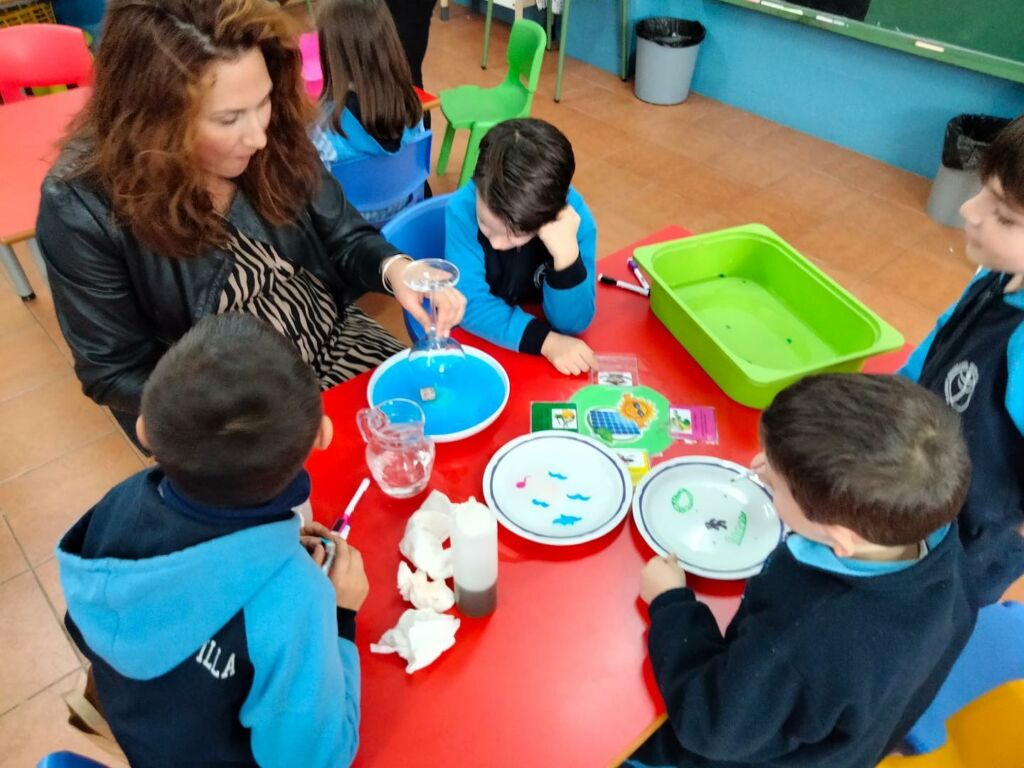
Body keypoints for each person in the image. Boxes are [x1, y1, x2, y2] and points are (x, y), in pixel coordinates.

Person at [35, 0, 464, 445]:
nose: (258, 136)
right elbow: (113, 371)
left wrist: (397, 269)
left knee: (432, 438)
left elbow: (345, 235)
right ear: (155, 119)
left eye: (263, 102)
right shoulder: (81, 203)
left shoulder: (274, 132)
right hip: (227, 407)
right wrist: (246, 416)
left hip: (335, 335)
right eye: (228, 119)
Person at [57, 313, 368, 768]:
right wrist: (339, 616)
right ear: (323, 434)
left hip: (142, 737)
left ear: (144, 430)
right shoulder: (295, 599)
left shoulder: (116, 505)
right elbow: (318, 758)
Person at [629, 374, 977, 768]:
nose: (760, 469)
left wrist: (671, 605)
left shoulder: (805, 636)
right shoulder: (936, 539)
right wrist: (786, 474)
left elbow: (710, 725)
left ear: (839, 537)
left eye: (776, 484)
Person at [901, 113, 1024, 606]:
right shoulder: (997, 271)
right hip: (915, 485)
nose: (969, 210)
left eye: (1005, 217)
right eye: (983, 191)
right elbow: (929, 355)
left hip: (963, 545)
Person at [446, 118, 598, 375]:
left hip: (528, 350)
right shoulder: (462, 209)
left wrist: (567, 258)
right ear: (477, 186)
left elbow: (574, 324)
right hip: (489, 342)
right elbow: (469, 303)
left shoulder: (575, 222)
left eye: (515, 235)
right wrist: (546, 341)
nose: (496, 243)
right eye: (485, 224)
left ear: (548, 218)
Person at [312, 0, 429, 224]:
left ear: (330, 53)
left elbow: (320, 213)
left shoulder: (323, 131)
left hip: (353, 238)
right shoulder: (413, 110)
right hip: (403, 229)